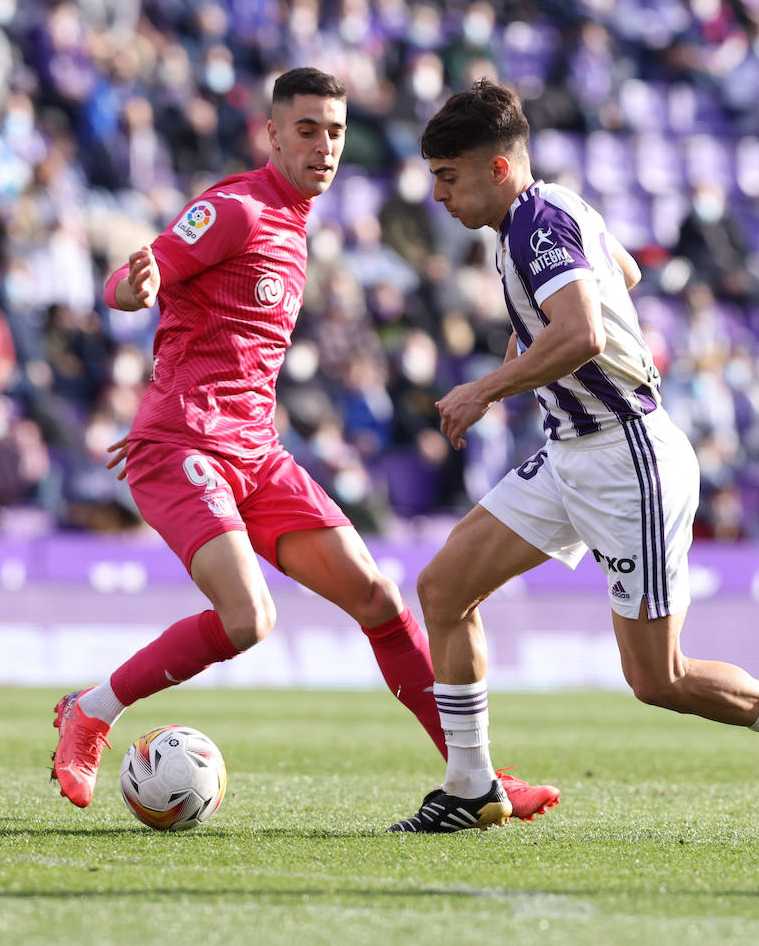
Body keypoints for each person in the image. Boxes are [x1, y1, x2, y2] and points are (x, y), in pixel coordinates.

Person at [49, 68, 560, 821]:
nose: (325, 146)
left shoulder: (295, 221)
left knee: (381, 598)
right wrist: (138, 283)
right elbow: (135, 278)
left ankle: (472, 776)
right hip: (185, 444)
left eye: (337, 131)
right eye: (309, 130)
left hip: (255, 451)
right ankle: (89, 712)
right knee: (248, 619)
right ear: (274, 135)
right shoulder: (235, 208)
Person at [388, 80, 759, 833]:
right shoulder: (552, 210)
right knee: (444, 587)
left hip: (627, 459)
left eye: (447, 176)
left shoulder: (536, 224)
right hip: (571, 452)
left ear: (495, 169)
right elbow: (625, 275)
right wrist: (535, 333)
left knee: (660, 677)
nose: (438, 195)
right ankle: (470, 785)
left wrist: (487, 387)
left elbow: (581, 332)